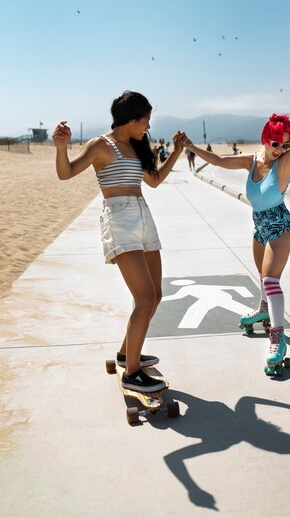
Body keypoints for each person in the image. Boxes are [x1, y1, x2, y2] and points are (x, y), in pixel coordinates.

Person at [181, 85, 290, 374]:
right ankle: (264, 309)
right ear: (266, 139)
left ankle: (277, 338)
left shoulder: (286, 162)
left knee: (271, 278)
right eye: (277, 143)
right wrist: (190, 146)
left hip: (279, 225)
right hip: (259, 225)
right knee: (263, 276)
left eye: (286, 144)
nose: (282, 148)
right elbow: (218, 160)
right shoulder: (251, 161)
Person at [53, 91, 183, 393]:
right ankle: (132, 374)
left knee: (156, 295)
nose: (147, 128)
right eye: (145, 122)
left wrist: (176, 151)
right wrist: (61, 148)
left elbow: (154, 180)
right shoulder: (101, 145)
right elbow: (66, 172)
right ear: (131, 119)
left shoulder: (136, 146)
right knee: (145, 298)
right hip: (119, 220)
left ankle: (127, 354)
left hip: (143, 218)